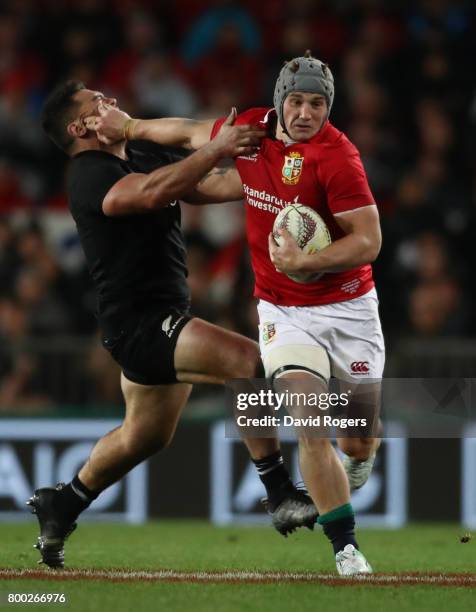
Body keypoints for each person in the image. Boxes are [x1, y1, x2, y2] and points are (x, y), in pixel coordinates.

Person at [92, 51, 384, 575]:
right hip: (283, 311)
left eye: (317, 104)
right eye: (296, 101)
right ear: (279, 101)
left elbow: (369, 240)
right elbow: (188, 132)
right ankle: (346, 547)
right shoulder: (254, 129)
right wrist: (131, 126)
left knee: (356, 436)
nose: (305, 113)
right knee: (308, 420)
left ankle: (361, 456)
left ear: (328, 109)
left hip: (348, 309)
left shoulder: (339, 159)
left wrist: (307, 260)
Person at [27, 80, 317, 569]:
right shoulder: (87, 173)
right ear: (80, 127)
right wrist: (220, 147)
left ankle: (64, 502)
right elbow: (150, 193)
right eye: (100, 104)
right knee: (247, 360)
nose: (114, 104)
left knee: (145, 436)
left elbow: (208, 184)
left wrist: (281, 172)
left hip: (161, 317)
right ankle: (280, 491)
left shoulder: (139, 153)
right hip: (141, 323)